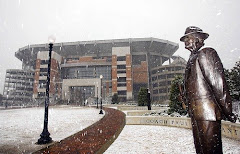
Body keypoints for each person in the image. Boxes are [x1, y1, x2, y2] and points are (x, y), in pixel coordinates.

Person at [180, 26, 237, 154]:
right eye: (184, 39)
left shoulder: (206, 53)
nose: (185, 42)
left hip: (208, 113)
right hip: (196, 113)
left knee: (211, 150)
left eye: (188, 38)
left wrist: (228, 111)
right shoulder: (192, 59)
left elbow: (219, 85)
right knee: (201, 150)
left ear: (198, 38)